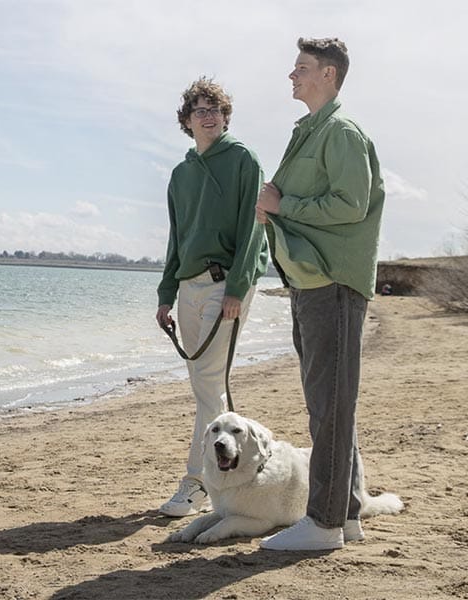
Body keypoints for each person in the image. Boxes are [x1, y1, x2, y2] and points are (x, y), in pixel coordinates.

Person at [255, 37, 385, 551]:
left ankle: (324, 524)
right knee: (330, 406)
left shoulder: (342, 132)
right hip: (309, 282)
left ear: (329, 74)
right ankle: (346, 514)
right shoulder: (310, 131)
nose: (292, 75)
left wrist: (284, 205)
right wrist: (275, 209)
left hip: (331, 282)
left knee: (329, 407)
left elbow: (351, 204)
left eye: (302, 68)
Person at [156, 77, 268, 517]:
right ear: (187, 121)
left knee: (207, 383)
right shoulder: (180, 174)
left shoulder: (244, 159)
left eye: (215, 109)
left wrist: (238, 288)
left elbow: (253, 229)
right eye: (199, 110)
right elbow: (176, 239)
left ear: (225, 117)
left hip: (227, 283)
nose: (208, 115)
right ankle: (233, 471)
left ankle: (197, 482)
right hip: (187, 286)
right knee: (206, 386)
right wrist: (166, 293)